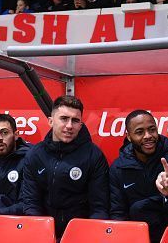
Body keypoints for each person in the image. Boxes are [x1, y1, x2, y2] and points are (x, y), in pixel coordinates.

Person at [22, 95, 109, 238]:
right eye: (64, 119)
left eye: (75, 121)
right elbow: (31, 203)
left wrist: (91, 237)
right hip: (44, 234)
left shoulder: (94, 155)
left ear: (81, 125)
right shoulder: (35, 155)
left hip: (82, 235)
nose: (69, 126)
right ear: (50, 121)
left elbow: (99, 208)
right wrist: (41, 235)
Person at [109, 110, 168, 243]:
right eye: (139, 132)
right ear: (129, 137)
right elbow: (118, 214)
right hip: (135, 238)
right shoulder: (118, 168)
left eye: (152, 129)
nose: (148, 136)